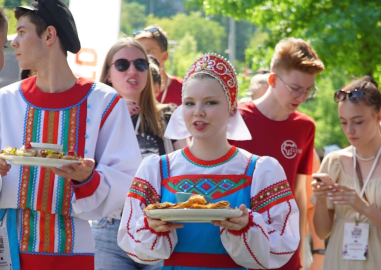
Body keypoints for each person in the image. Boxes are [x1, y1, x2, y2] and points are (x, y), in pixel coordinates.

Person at [117, 53, 300, 269]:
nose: (198, 112)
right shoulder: (157, 169)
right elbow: (131, 241)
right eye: (189, 103)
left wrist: (248, 225)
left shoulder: (259, 170)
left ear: (232, 107)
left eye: (210, 102)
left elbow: (283, 244)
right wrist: (151, 227)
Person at [0, 1, 141, 269]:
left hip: (75, 252)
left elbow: (125, 178)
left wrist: (87, 178)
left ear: (49, 35)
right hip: (9, 250)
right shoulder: (4, 101)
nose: (13, 43)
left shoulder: (105, 102)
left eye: (21, 32)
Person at [230, 37, 325, 269]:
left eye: (308, 91)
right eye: (295, 89)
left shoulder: (305, 127)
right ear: (273, 80)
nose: (301, 98)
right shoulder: (234, 119)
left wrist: (299, 249)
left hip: (282, 247)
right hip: (234, 242)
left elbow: (299, 195)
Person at [93, 38, 187, 270]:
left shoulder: (169, 116)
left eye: (140, 64)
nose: (132, 70)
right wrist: (111, 116)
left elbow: (187, 169)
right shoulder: (93, 117)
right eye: (122, 65)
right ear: (108, 74)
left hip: (159, 228)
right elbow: (83, 168)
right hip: (109, 229)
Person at [311, 76, 381, 269]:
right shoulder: (334, 161)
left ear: (378, 117)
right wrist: (321, 200)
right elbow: (322, 232)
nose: (349, 130)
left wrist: (364, 208)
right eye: (343, 122)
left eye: (358, 122)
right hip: (338, 263)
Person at [134, 26, 183, 107]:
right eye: (138, 52)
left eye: (149, 52)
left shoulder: (184, 90)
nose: (143, 57)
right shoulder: (130, 90)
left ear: (164, 56)